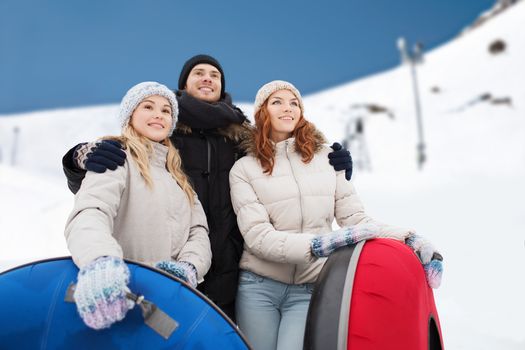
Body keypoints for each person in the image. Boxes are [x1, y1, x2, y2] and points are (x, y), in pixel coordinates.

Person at [61, 55, 354, 321]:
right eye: (198, 73)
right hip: (160, 267)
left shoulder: (241, 138)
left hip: (226, 265)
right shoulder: (163, 134)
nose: (207, 78)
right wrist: (78, 158)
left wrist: (326, 158)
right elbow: (97, 201)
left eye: (214, 75)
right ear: (183, 86)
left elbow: (280, 167)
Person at [229, 80, 443, 350]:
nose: (288, 108)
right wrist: (317, 245)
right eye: (277, 102)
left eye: (294, 103)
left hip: (308, 287)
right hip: (258, 287)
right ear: (263, 112)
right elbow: (258, 236)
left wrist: (410, 238)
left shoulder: (328, 159)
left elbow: (355, 220)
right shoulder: (243, 169)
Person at [64, 82, 212, 330]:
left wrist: (188, 267)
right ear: (130, 116)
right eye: (148, 106)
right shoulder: (115, 158)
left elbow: (198, 232)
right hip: (115, 292)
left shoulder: (180, 179)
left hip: (164, 305)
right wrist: (99, 261)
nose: (158, 114)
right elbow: (90, 212)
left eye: (166, 111)